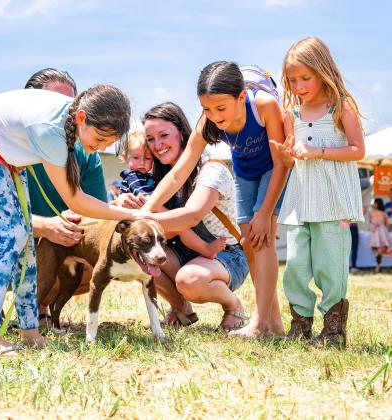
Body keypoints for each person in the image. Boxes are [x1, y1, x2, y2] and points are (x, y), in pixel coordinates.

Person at [0, 81, 149, 356]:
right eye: (99, 139)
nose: (98, 148)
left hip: (1, 151)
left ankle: (30, 330)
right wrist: (132, 214)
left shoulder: (67, 125)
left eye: (108, 144)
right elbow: (75, 199)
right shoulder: (52, 132)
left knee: (27, 243)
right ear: (81, 118)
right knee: (13, 234)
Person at [0, 68, 108, 332]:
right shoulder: (3, 141)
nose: (63, 115)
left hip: (49, 247)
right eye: (53, 105)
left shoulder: (84, 152)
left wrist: (84, 219)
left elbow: (94, 214)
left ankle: (34, 317)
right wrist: (47, 226)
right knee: (2, 240)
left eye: (70, 106)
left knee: (95, 256)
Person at [141, 62, 287, 337]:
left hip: (273, 169)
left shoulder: (264, 105)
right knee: (251, 243)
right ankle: (274, 323)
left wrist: (265, 213)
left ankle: (259, 323)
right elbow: (177, 174)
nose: (214, 116)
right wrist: (145, 211)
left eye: (221, 108)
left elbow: (281, 164)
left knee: (263, 238)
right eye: (207, 109)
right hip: (246, 170)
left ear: (241, 97)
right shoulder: (207, 121)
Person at [276, 37, 364, 347]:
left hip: (333, 200)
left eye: (305, 78)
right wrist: (287, 153)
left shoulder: (341, 106)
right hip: (301, 200)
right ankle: (300, 324)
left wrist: (318, 150)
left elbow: (357, 150)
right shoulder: (293, 113)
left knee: (331, 264)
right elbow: (292, 156)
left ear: (322, 70)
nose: (298, 85)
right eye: (292, 79)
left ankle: (333, 331)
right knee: (296, 264)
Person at [139, 102, 249, 330]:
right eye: (151, 139)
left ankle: (234, 305)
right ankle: (182, 310)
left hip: (227, 254)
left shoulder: (211, 169)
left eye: (163, 135)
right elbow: (168, 232)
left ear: (182, 133)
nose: (157, 145)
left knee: (189, 279)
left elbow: (191, 217)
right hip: (188, 250)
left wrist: (141, 215)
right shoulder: (163, 175)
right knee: (141, 256)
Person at [120, 129, 225, 259]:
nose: (141, 163)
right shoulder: (134, 177)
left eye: (147, 158)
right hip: (147, 210)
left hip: (147, 212)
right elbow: (147, 199)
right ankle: (205, 248)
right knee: (180, 226)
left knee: (179, 226)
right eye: (136, 157)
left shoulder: (146, 176)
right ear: (125, 157)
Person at [369, 198, 390, 273]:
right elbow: (371, 223)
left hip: (380, 233)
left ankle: (378, 266)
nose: (374, 204)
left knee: (379, 249)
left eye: (375, 203)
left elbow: (387, 224)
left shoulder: (383, 213)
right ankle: (378, 265)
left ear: (378, 204)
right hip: (377, 233)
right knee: (376, 249)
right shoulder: (372, 212)